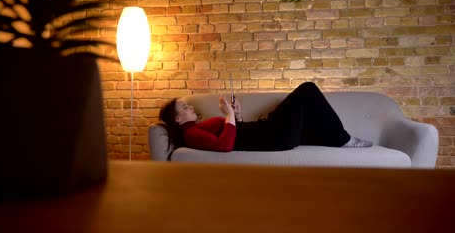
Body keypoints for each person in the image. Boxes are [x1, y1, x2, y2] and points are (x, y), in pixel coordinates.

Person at [158, 82, 372, 158]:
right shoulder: (190, 134)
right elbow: (225, 146)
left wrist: (237, 114)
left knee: (309, 114)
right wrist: (228, 115)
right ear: (177, 119)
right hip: (271, 136)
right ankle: (343, 139)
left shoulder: (196, 128)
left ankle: (337, 139)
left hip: (268, 132)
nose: (191, 107)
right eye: (185, 107)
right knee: (307, 89)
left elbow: (234, 134)